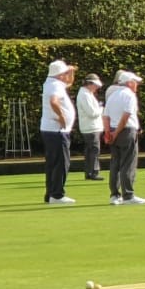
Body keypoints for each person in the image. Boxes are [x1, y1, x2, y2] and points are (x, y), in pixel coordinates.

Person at [104, 69, 145, 204]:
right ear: (129, 83)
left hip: (113, 130)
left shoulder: (112, 95)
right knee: (128, 163)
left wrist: (108, 133)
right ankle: (128, 195)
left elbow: (105, 116)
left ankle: (114, 195)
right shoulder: (129, 95)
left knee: (115, 163)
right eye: (135, 82)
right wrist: (116, 133)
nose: (136, 85)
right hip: (126, 131)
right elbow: (126, 117)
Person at [39, 58, 77, 205]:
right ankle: (57, 195)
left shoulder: (53, 83)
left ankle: (50, 194)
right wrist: (61, 117)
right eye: (65, 72)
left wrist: (71, 72)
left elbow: (69, 83)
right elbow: (54, 101)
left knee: (52, 163)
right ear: (59, 74)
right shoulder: (54, 86)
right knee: (61, 163)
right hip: (57, 130)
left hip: (51, 130)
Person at [76, 74, 105, 180]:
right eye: (95, 85)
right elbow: (92, 113)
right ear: (90, 84)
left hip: (90, 127)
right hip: (91, 127)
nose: (97, 87)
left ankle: (89, 172)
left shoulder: (87, 93)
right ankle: (93, 172)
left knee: (90, 150)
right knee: (94, 150)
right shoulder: (85, 94)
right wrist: (101, 108)